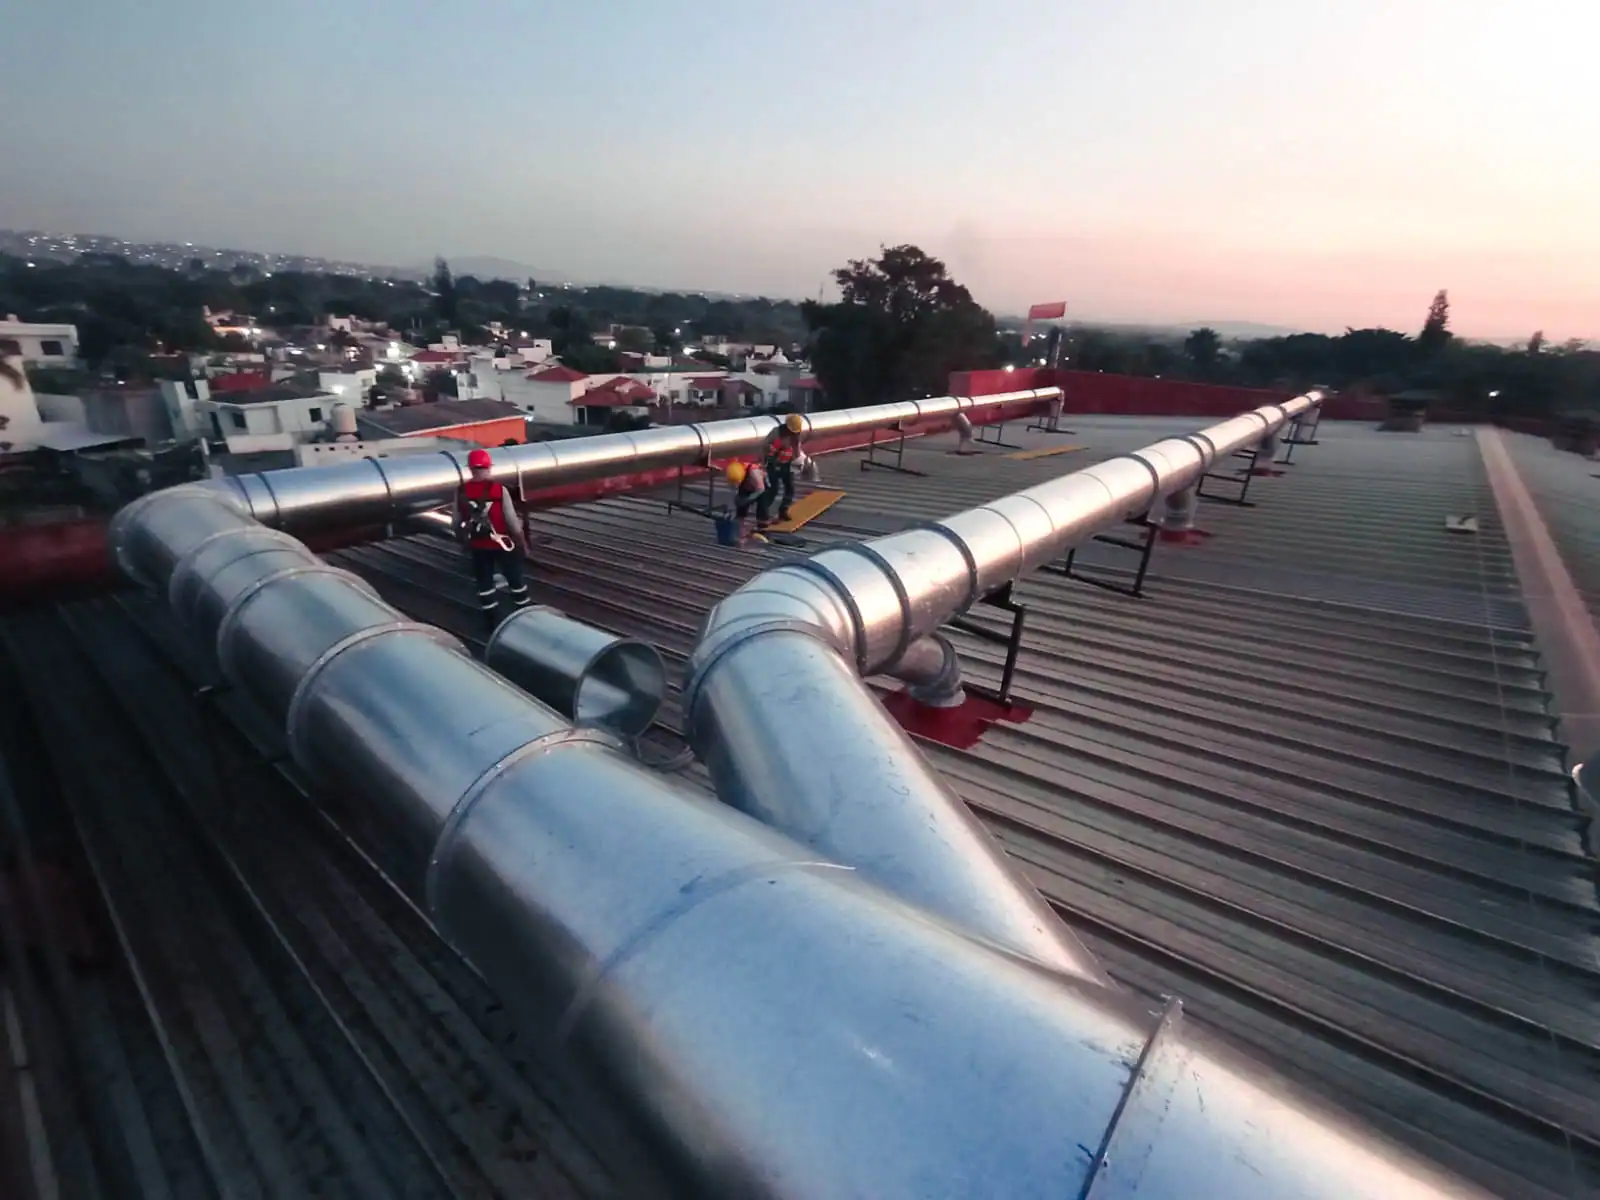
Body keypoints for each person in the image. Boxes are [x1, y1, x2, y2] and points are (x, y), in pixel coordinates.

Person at [454, 447, 530, 631]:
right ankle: (525, 614)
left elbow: (456, 521)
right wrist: (522, 543)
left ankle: (492, 621)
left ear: (470, 469)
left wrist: (464, 541)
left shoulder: (461, 491)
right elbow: (511, 520)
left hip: (478, 546)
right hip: (502, 543)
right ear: (488, 467)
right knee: (514, 577)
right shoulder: (498, 489)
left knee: (484, 583)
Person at [764, 413, 805, 523]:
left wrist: (799, 461)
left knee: (790, 488)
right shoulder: (776, 433)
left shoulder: (796, 436)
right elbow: (766, 448)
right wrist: (771, 461)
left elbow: (797, 450)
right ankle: (763, 513)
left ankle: (783, 510)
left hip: (787, 464)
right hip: (774, 464)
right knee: (773, 489)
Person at [725, 459, 769, 541]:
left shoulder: (753, 473)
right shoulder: (733, 472)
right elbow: (733, 487)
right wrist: (736, 499)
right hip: (745, 487)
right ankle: (739, 527)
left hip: (760, 488)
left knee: (762, 507)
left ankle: (763, 529)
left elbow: (761, 489)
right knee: (741, 507)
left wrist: (748, 499)